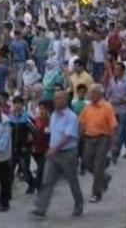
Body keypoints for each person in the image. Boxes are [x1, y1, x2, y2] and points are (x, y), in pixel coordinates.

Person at [32, 90, 84, 219]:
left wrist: (54, 148)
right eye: (55, 98)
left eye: (59, 98)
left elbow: (67, 136)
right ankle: (41, 208)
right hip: (53, 154)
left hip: (67, 154)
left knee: (72, 181)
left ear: (65, 100)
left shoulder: (71, 117)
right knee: (47, 181)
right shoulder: (54, 115)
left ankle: (79, 205)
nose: (55, 100)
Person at [78, 84, 116, 203]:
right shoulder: (87, 108)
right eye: (90, 92)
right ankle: (104, 178)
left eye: (94, 92)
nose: (91, 94)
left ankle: (96, 193)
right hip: (88, 138)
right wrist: (78, 138)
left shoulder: (107, 107)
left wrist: (113, 144)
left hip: (102, 138)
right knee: (86, 162)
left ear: (100, 94)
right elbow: (82, 124)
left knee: (99, 165)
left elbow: (113, 127)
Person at [107, 61, 126, 162]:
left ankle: (115, 153)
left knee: (119, 132)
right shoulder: (112, 81)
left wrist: (123, 99)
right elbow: (108, 93)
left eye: (118, 69)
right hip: (114, 109)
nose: (116, 71)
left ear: (123, 71)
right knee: (122, 131)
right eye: (115, 69)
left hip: (124, 109)